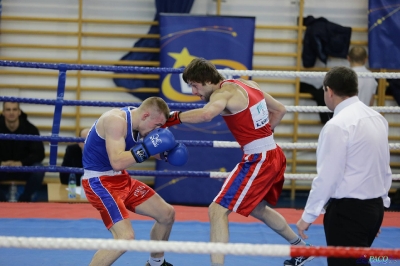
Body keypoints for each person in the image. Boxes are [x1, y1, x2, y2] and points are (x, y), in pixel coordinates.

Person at [163, 58, 313, 266]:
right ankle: (302, 249)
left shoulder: (223, 93)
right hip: (272, 153)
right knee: (258, 208)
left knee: (217, 210)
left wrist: (173, 118)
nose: (193, 92)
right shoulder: (247, 84)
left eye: (195, 86)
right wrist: (265, 134)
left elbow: (207, 114)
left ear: (206, 80)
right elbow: (279, 109)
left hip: (259, 158)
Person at [296, 66, 392, 266]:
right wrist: (380, 205)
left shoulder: (337, 125)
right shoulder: (378, 118)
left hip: (349, 212)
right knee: (359, 261)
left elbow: (328, 177)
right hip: (372, 209)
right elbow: (383, 167)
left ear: (329, 91)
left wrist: (308, 216)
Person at [81, 97, 188, 266]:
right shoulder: (115, 121)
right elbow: (117, 161)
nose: (157, 131)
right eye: (157, 126)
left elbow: (147, 146)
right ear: (145, 115)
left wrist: (166, 154)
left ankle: (156, 263)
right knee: (125, 238)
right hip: (99, 182)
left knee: (167, 214)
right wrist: (147, 149)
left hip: (121, 179)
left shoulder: (139, 122)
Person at [0, 102, 45, 202]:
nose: (11, 112)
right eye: (8, 110)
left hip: (22, 169)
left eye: (14, 109)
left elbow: (39, 153)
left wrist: (21, 163)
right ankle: (2, 199)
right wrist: (1, 163)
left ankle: (24, 199)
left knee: (39, 169)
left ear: (19, 112)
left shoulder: (30, 129)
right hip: (2, 168)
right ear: (3, 112)